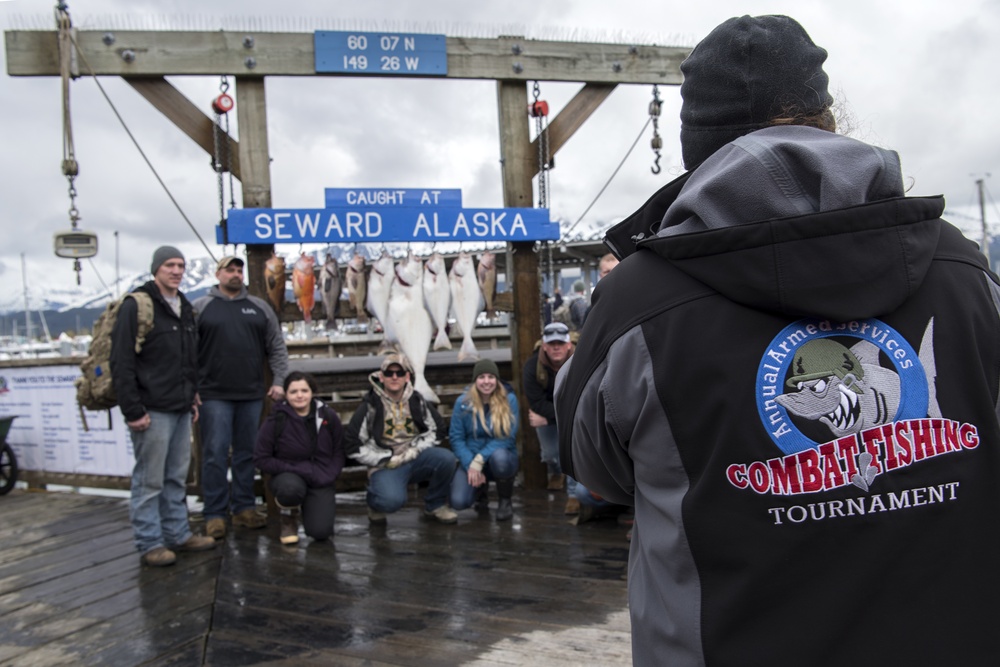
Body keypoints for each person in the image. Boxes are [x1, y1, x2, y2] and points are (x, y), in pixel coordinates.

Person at [555, 14, 1000, 666]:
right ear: (829, 117)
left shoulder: (638, 303)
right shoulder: (966, 271)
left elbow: (593, 464)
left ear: (695, 147)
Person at [111, 245, 215, 567]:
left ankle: (178, 533)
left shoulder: (184, 306)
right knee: (149, 479)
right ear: (156, 268)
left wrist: (192, 395)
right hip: (151, 408)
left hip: (181, 406)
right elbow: (121, 360)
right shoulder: (136, 305)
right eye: (170, 264)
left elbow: (188, 359)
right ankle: (149, 542)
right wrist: (133, 410)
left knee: (176, 476)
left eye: (181, 265)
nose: (176, 270)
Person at [192, 255, 289, 540]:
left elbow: (277, 348)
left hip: (251, 394)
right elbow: (185, 352)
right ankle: (214, 513)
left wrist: (280, 382)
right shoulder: (200, 308)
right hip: (212, 395)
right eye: (229, 270)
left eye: (239, 270)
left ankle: (244, 508)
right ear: (217, 274)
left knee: (247, 453)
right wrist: (191, 388)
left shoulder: (259, 308)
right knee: (215, 454)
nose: (235, 274)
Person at [344, 353, 459, 524]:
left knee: (446, 459)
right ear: (381, 377)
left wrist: (415, 449)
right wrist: (383, 458)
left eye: (399, 373)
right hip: (385, 465)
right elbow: (352, 445)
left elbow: (437, 431)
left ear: (407, 377)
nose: (394, 377)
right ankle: (375, 504)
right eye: (389, 373)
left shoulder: (417, 401)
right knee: (391, 501)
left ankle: (435, 505)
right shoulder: (370, 406)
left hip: (414, 457)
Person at [253, 371, 345, 545]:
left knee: (321, 531)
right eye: (293, 392)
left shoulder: (328, 416)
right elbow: (261, 458)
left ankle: (313, 512)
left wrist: (331, 473)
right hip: (288, 475)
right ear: (286, 395)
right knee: (290, 490)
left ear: (312, 392)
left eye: (304, 390)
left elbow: (339, 450)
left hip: (320, 476)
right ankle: (289, 519)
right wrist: (297, 469)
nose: (300, 395)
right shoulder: (276, 420)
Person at [449, 359, 519, 521]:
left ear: (497, 380)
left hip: (500, 457)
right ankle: (480, 491)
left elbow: (507, 437)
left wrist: (480, 459)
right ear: (475, 381)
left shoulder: (510, 400)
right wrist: (470, 464)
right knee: (458, 502)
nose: (486, 382)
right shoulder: (462, 403)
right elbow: (456, 438)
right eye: (481, 377)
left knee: (500, 458)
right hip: (471, 458)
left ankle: (505, 501)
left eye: (491, 377)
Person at [522, 321, 578, 512]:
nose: (556, 348)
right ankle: (556, 472)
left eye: (560, 343)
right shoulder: (531, 367)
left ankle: (573, 494)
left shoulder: (581, 362)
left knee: (572, 451)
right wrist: (553, 417)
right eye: (552, 344)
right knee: (552, 454)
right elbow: (536, 403)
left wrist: (549, 418)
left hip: (574, 416)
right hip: (549, 412)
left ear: (569, 344)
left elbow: (583, 400)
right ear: (544, 345)